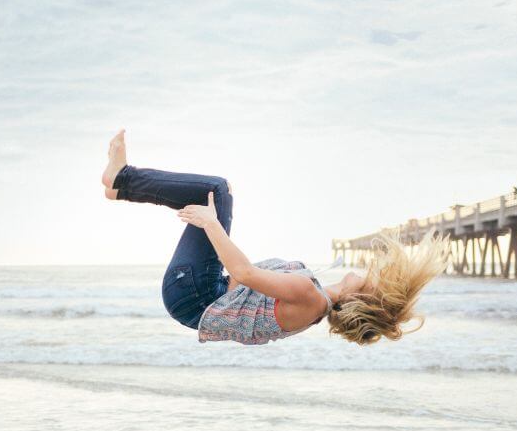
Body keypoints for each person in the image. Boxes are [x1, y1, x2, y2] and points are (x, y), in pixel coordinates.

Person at [100, 130, 447, 345]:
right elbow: (243, 288)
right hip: (195, 297)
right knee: (218, 195)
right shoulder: (312, 305)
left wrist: (211, 225)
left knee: (216, 190)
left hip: (194, 292)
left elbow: (246, 274)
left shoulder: (309, 295)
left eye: (374, 282)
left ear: (361, 299)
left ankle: (122, 178)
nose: (371, 274)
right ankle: (120, 186)